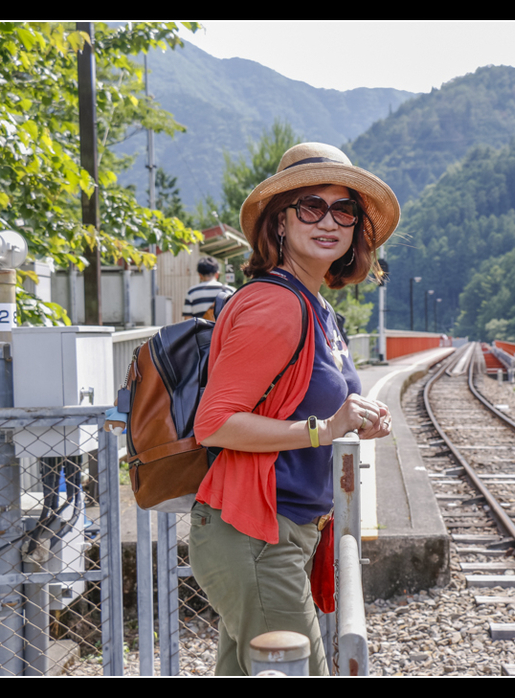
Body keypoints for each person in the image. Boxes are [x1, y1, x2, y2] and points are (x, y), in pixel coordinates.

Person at [188, 142, 399, 676]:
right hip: (256, 535)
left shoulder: (316, 306)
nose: (329, 220)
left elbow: (305, 406)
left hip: (284, 530)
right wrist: (324, 430)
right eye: (311, 206)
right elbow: (214, 424)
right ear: (280, 222)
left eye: (343, 210)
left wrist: (352, 423)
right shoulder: (274, 304)